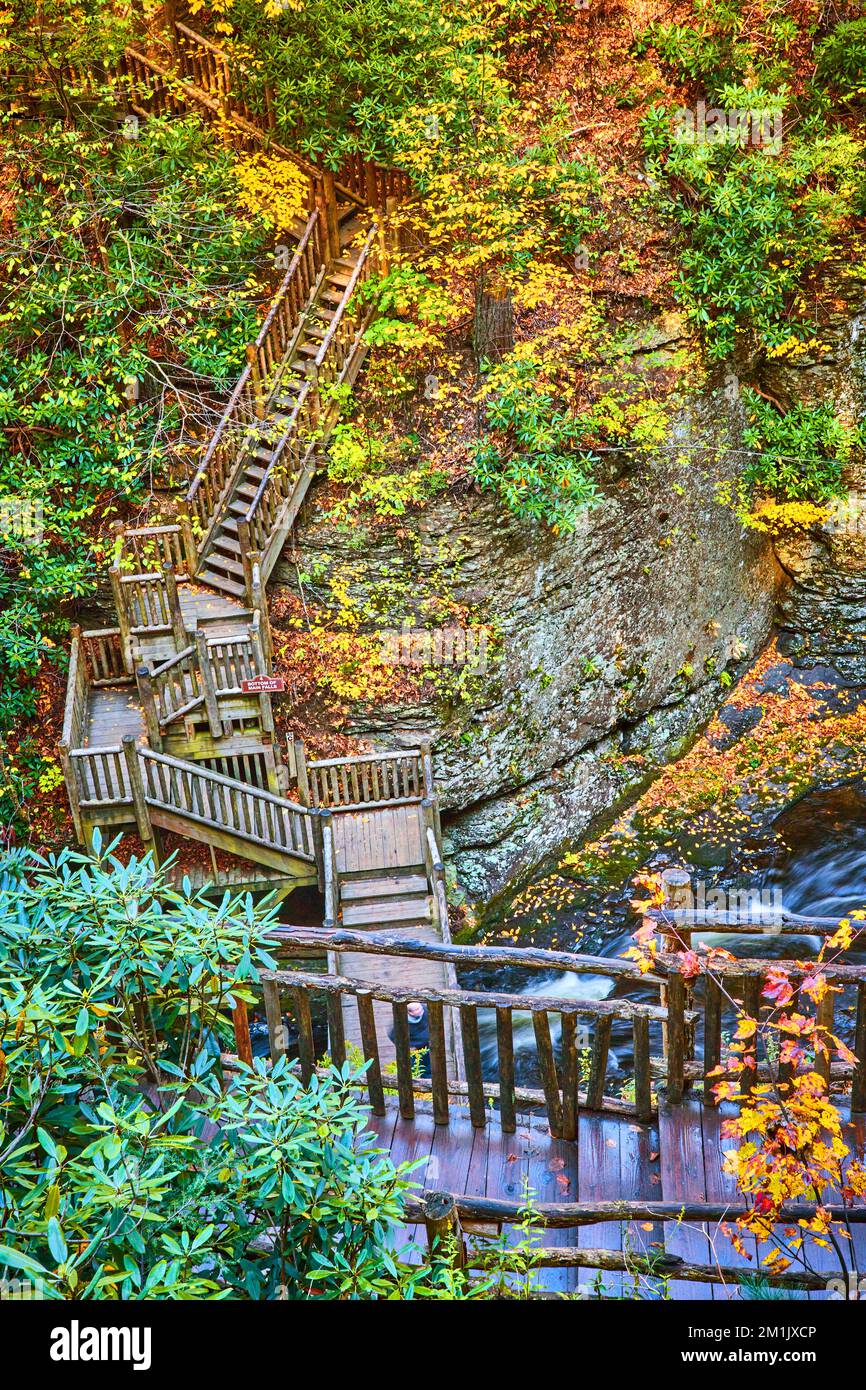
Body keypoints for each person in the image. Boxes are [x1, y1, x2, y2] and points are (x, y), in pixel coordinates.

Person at [388, 1000, 431, 1077]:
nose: (421, 1009)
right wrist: (409, 1046)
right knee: (413, 1066)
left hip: (426, 1045)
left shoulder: (426, 1011)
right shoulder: (400, 1022)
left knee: (428, 1064)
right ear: (410, 1013)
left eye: (420, 1007)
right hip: (412, 1048)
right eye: (417, 1009)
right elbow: (394, 1036)